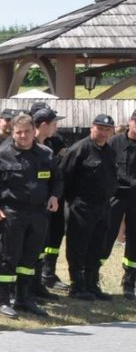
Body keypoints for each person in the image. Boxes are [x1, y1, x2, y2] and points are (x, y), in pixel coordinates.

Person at [0, 113, 57, 317]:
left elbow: (58, 180)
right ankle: (4, 299)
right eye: (19, 132)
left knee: (30, 258)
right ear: (12, 133)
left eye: (27, 132)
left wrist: (54, 196)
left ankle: (24, 298)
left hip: (38, 213)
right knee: (9, 257)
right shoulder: (0, 155)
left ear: (34, 131)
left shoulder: (46, 154)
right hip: (11, 213)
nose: (23, 136)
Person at [57, 114, 117, 300]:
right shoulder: (79, 149)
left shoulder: (109, 151)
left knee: (97, 245)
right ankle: (77, 285)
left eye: (107, 130)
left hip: (103, 206)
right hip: (82, 205)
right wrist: (72, 202)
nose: (103, 133)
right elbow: (64, 178)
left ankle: (91, 283)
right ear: (92, 127)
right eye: (100, 129)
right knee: (78, 246)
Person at [31, 108, 65, 291]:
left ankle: (37, 285)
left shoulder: (48, 149)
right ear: (44, 125)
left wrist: (54, 195)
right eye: (54, 124)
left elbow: (57, 177)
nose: (56, 127)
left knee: (41, 248)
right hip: (25, 208)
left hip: (44, 207)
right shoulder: (25, 146)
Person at [113, 113, 136, 297]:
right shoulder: (114, 142)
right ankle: (91, 278)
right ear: (130, 121)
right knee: (105, 236)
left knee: (134, 241)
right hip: (116, 196)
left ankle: (129, 281)